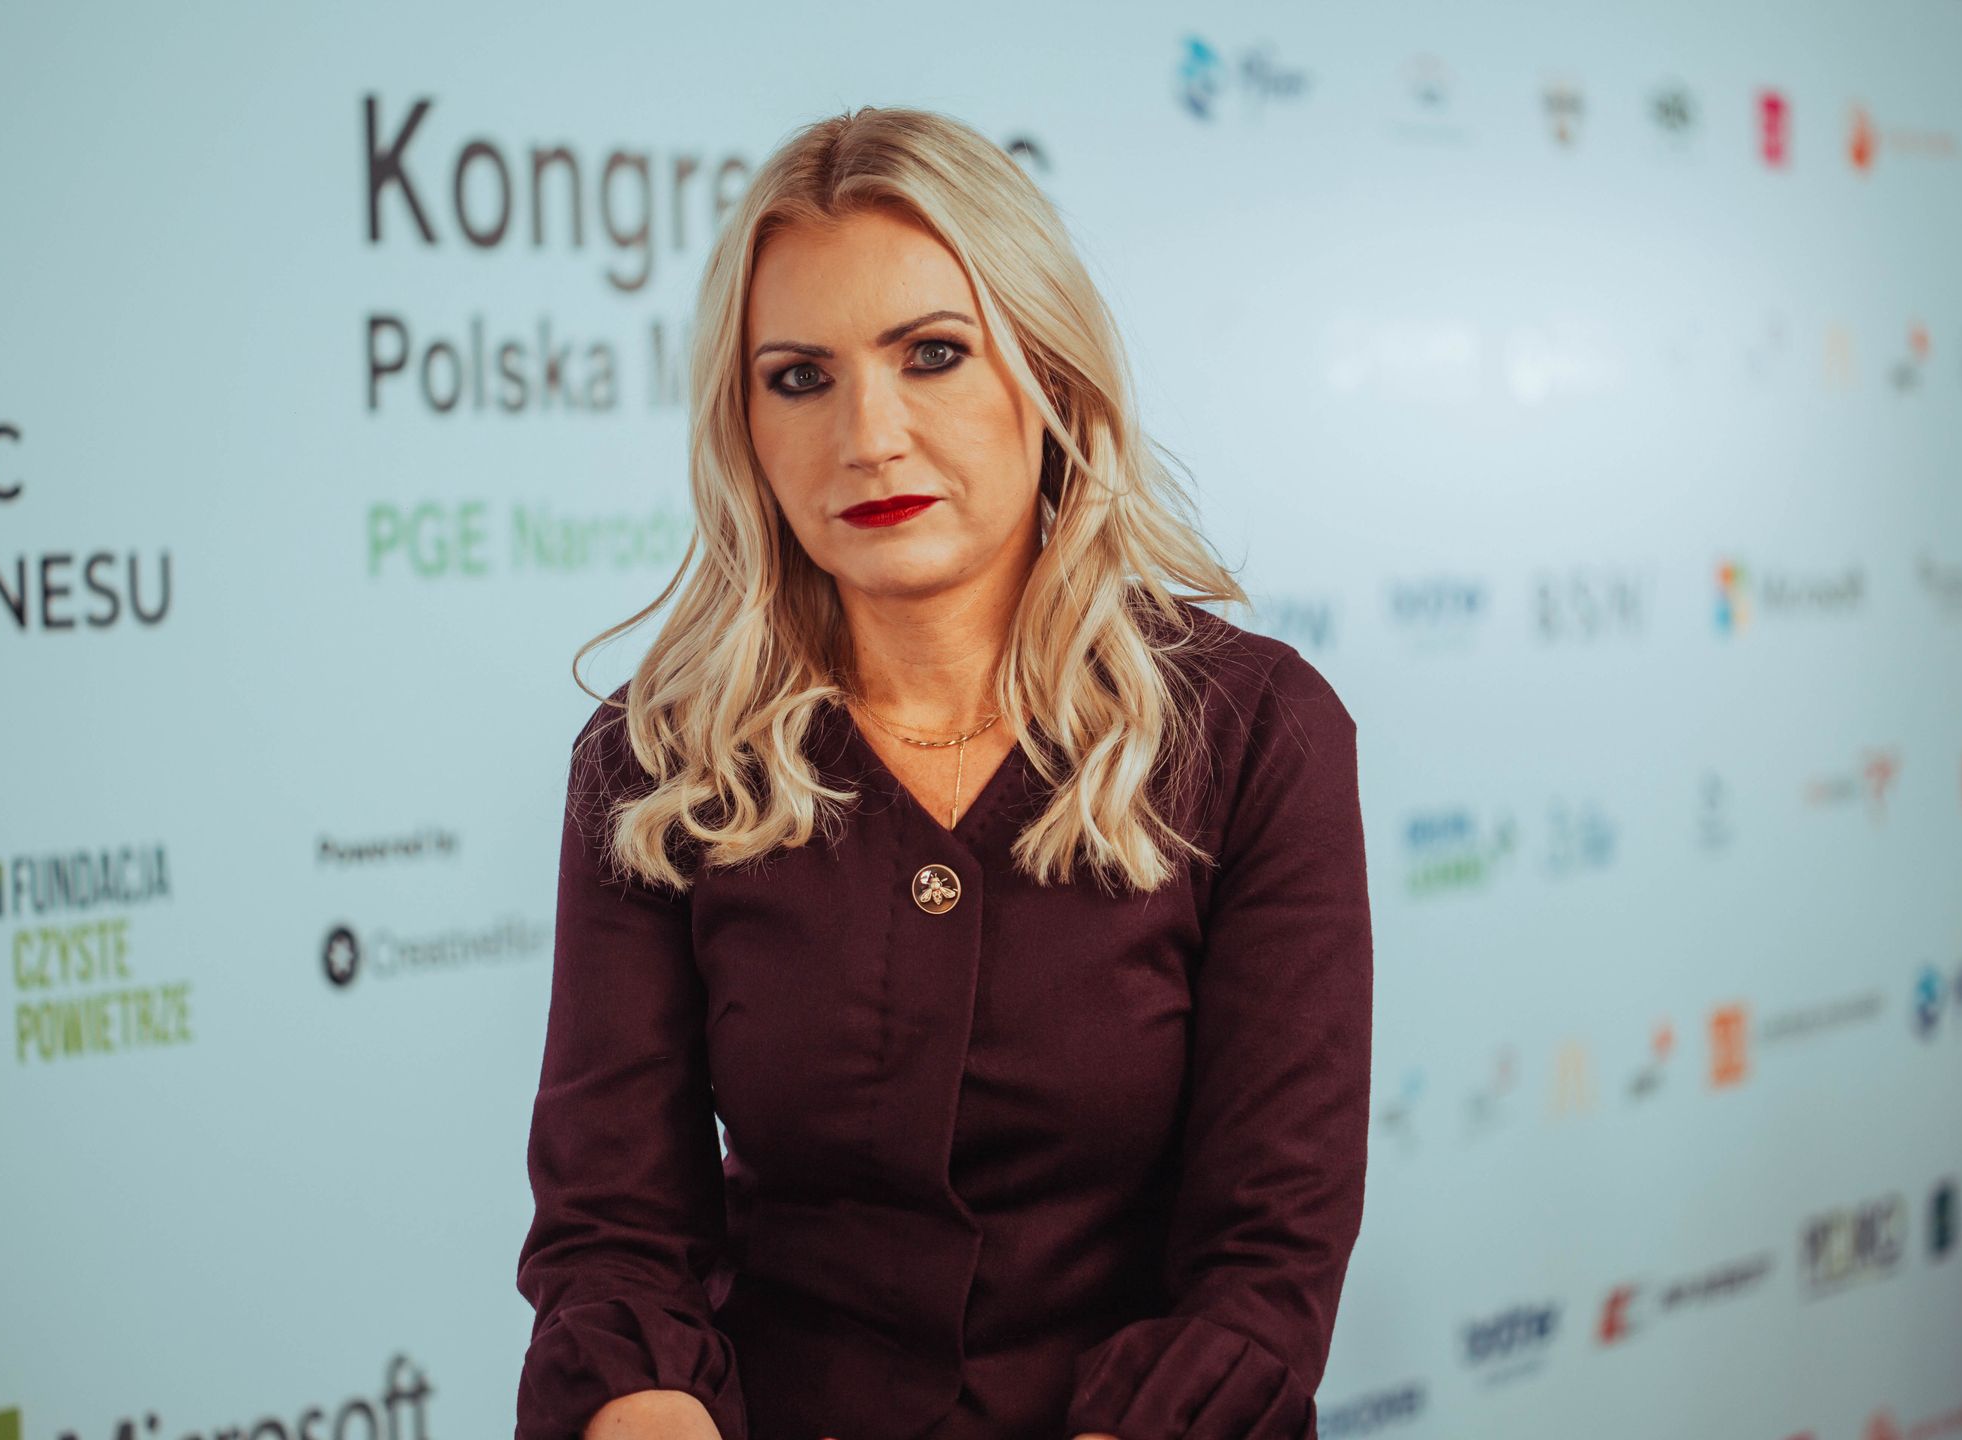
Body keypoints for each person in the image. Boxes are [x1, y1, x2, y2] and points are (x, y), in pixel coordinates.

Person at [515, 105, 1372, 1440]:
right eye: (800, 377)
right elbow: (616, 1246)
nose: (870, 435)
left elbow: (1259, 1276)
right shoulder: (654, 762)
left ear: (1051, 377)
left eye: (933, 355)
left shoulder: (1256, 733)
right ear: (744, 425)